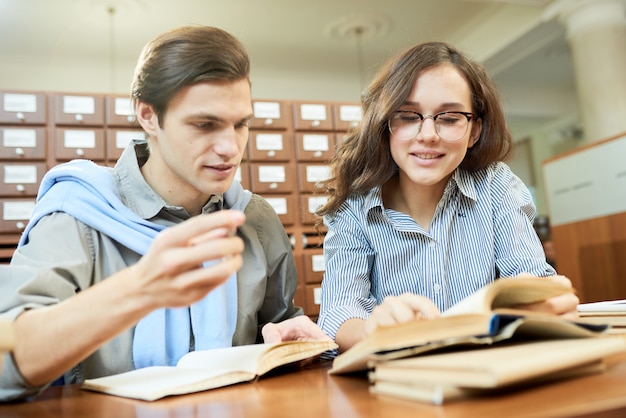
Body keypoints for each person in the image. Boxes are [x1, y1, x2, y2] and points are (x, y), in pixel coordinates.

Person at [0, 25, 328, 402]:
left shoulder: (255, 217)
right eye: (205, 124)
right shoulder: (75, 215)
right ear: (148, 115)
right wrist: (137, 291)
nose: (230, 147)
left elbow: (276, 327)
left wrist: (287, 344)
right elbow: (7, 366)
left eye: (241, 124)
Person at [315, 41, 579, 353]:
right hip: (398, 384)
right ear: (385, 125)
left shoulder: (497, 187)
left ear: (475, 131)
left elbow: (531, 281)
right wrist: (372, 330)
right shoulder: (354, 208)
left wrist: (545, 303)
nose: (428, 134)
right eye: (408, 116)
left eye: (450, 117)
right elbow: (338, 312)